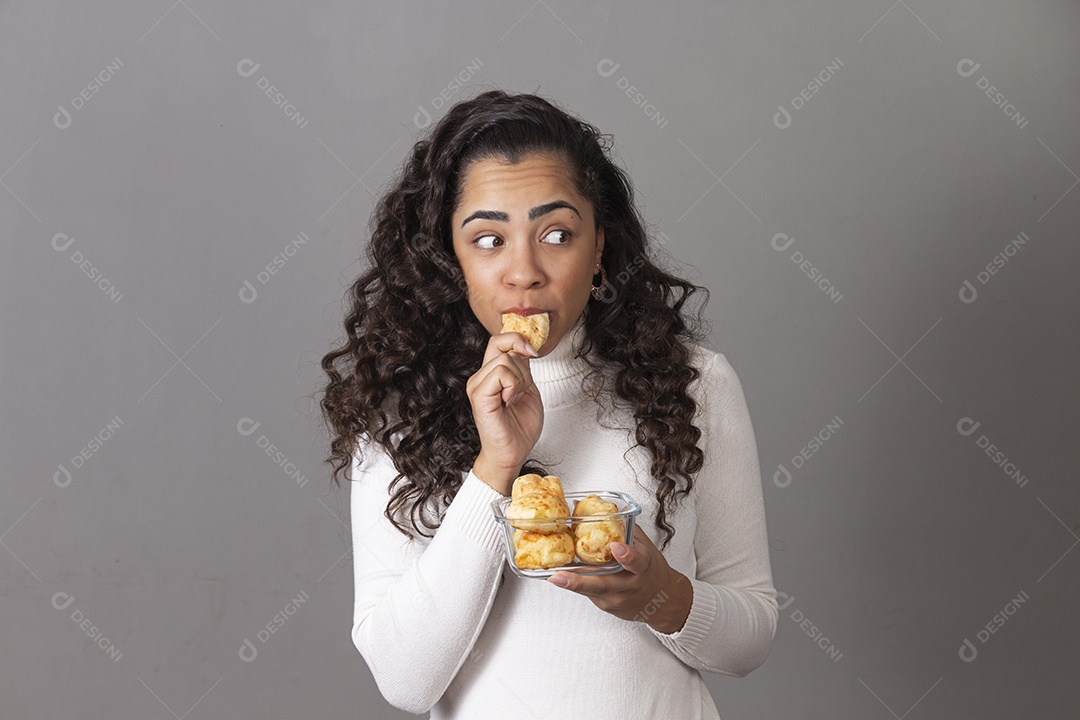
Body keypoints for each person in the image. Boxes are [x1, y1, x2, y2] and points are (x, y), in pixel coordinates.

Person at [320, 89, 777, 718]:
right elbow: (405, 679)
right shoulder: (397, 409)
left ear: (600, 250)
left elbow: (751, 637)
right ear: (450, 260)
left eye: (557, 233)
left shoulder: (694, 383)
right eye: (487, 240)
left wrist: (661, 597)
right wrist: (495, 467)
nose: (524, 271)